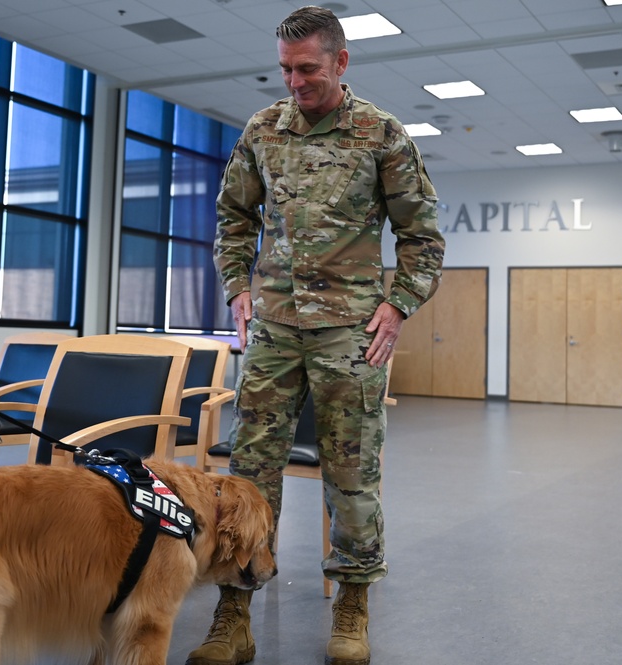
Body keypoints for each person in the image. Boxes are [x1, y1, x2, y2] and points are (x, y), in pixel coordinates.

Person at [187, 6, 445, 665]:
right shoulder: (262, 130)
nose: (294, 82)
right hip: (273, 329)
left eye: (307, 69)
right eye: (284, 69)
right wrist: (237, 285)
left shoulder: (380, 134)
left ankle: (352, 607)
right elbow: (233, 216)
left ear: (340, 62)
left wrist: (399, 304)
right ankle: (233, 617)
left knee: (351, 475)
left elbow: (422, 237)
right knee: (249, 472)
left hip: (349, 332)